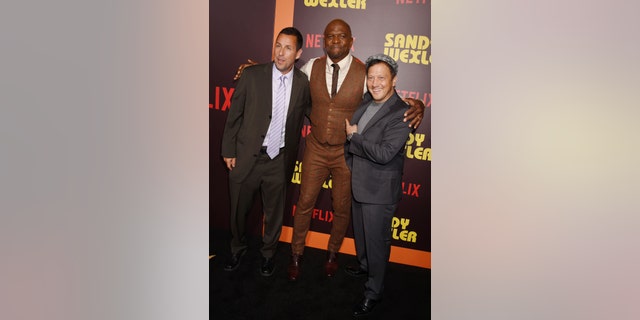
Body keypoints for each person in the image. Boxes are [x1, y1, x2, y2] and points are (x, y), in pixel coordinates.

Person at [233, 19, 424, 281]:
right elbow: (283, 74)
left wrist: (416, 104)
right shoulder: (312, 66)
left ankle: (333, 253)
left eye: (341, 36)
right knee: (304, 204)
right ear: (323, 40)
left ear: (351, 41)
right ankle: (296, 254)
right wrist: (255, 69)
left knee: (342, 207)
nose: (335, 41)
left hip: (347, 153)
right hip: (315, 147)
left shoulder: (363, 71)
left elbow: (385, 95)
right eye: (330, 36)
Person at [220, 27, 311, 277]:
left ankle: (268, 254)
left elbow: (315, 111)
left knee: (274, 213)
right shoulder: (252, 75)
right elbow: (234, 115)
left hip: (279, 160)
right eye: (278, 46)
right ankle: (237, 247)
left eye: (288, 48)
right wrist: (228, 149)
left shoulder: (303, 83)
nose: (281, 53)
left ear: (299, 53)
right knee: (238, 209)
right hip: (247, 155)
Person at [343, 54, 412, 317]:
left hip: (380, 191)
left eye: (381, 77)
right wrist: (352, 160)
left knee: (377, 242)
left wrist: (355, 138)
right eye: (371, 78)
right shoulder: (366, 101)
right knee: (362, 235)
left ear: (394, 80)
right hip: (359, 181)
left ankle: (374, 292)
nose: (375, 83)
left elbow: (384, 153)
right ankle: (364, 265)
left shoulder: (402, 112)